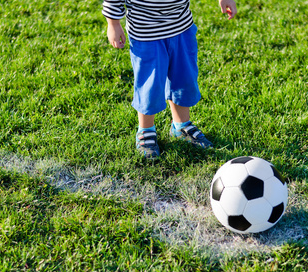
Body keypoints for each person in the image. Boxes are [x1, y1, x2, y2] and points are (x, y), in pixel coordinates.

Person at [102, 0, 237, 159]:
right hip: (146, 32)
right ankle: (146, 130)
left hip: (181, 27)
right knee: (149, 85)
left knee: (183, 79)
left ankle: (181, 125)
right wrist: (113, 23)